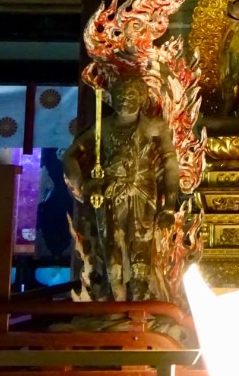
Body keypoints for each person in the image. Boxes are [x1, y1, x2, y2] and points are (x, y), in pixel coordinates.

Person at [63, 77, 180, 301]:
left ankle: (139, 301)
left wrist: (170, 205)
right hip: (109, 192)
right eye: (120, 96)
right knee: (111, 247)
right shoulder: (103, 126)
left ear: (142, 99)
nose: (125, 100)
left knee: (141, 246)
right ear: (112, 99)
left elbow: (170, 164)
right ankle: (115, 298)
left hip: (142, 191)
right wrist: (84, 184)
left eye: (130, 96)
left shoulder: (154, 126)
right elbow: (70, 155)